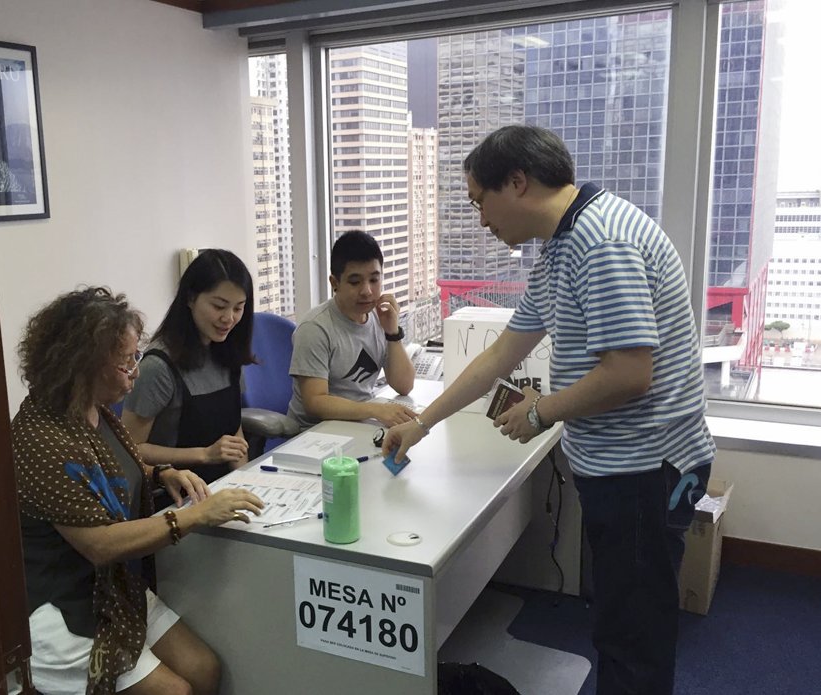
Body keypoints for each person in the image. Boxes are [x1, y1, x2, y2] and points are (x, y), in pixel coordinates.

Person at [383, 125, 715, 695]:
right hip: (622, 467)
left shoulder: (600, 242)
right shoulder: (565, 245)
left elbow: (630, 373)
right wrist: (422, 421)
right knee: (622, 620)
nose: (481, 220)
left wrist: (542, 411)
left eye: (479, 202)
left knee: (634, 636)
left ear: (517, 182)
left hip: (644, 471)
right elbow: (500, 356)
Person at [12, 286, 263, 695]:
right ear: (85, 365)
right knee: (175, 691)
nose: (136, 371)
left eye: (135, 357)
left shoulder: (93, 410)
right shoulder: (41, 442)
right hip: (62, 602)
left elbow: (108, 471)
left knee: (204, 669)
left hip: (110, 587)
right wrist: (194, 515)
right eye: (126, 362)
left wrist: (160, 473)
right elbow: (100, 544)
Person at [122, 250, 254, 485]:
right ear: (191, 298)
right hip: (176, 490)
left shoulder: (228, 353)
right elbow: (131, 449)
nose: (229, 318)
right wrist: (204, 454)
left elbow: (234, 433)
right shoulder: (158, 367)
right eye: (219, 306)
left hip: (223, 485)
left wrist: (246, 481)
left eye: (238, 308)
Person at [287, 230, 416, 430]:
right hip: (315, 433)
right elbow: (315, 402)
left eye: (374, 280)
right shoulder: (315, 328)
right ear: (335, 283)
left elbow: (404, 385)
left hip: (360, 424)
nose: (367, 291)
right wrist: (375, 410)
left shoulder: (379, 317)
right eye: (355, 282)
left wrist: (393, 333)